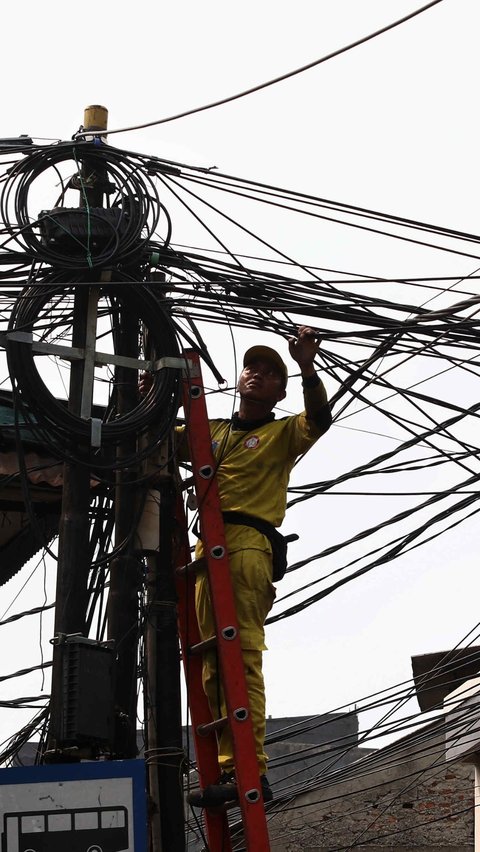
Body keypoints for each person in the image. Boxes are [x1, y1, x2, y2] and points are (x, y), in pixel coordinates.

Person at [185, 326, 332, 807]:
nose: (257, 375)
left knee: (240, 655)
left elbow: (319, 419)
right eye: (253, 367)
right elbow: (153, 441)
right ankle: (231, 767)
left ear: (280, 392)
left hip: (248, 542)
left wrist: (308, 365)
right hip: (206, 547)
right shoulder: (213, 432)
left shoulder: (282, 431)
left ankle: (251, 769)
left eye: (271, 373)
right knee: (212, 664)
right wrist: (146, 392)